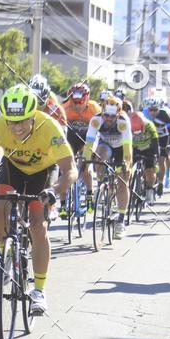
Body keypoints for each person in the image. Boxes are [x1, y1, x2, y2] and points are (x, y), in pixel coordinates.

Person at [0, 84, 77, 315]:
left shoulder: (50, 127)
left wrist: (55, 191)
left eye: (21, 121)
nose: (15, 127)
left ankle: (39, 290)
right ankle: (4, 253)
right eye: (11, 122)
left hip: (44, 173)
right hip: (13, 169)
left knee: (38, 226)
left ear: (33, 116)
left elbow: (71, 171)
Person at [82, 94, 132, 238]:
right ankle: (102, 184)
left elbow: (128, 147)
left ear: (118, 113)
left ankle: (121, 221)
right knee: (99, 156)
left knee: (123, 181)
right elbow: (89, 143)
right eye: (106, 115)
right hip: (106, 146)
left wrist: (127, 164)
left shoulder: (123, 122)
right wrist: (85, 160)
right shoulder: (96, 120)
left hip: (121, 148)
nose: (108, 119)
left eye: (112, 116)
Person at [61, 82, 100, 214]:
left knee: (85, 166)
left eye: (80, 103)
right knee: (64, 166)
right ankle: (62, 203)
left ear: (87, 100)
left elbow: (100, 129)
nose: (77, 107)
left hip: (89, 138)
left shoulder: (95, 109)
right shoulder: (64, 108)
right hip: (71, 137)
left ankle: (89, 196)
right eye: (74, 103)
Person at [143, 97, 170, 194]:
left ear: (159, 109)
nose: (152, 112)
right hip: (150, 137)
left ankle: (160, 182)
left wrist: (169, 144)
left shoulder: (164, 114)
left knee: (161, 160)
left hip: (163, 138)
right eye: (150, 110)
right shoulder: (144, 114)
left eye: (155, 110)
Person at [129, 109, 159, 202]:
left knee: (149, 170)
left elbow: (155, 141)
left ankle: (149, 190)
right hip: (135, 148)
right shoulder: (127, 126)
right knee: (127, 168)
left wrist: (155, 155)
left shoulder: (149, 125)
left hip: (148, 148)